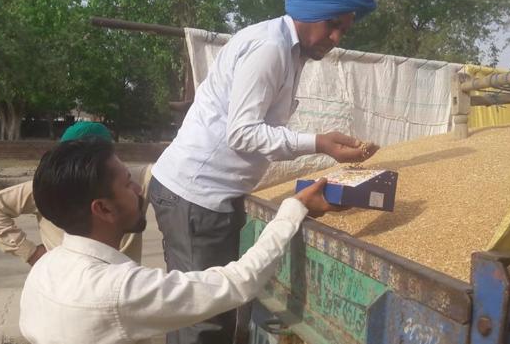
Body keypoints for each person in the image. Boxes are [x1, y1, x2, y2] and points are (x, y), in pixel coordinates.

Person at [149, 0, 378, 342]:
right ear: (310, 11)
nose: (336, 39)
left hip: (208, 196)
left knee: (203, 311)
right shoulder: (269, 48)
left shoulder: (291, 51)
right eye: (333, 25)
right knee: (203, 319)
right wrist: (319, 143)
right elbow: (242, 134)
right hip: (196, 196)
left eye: (343, 31)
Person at [19, 138, 338, 343]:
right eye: (128, 184)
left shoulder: (44, 267)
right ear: (102, 208)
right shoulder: (117, 290)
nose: (139, 191)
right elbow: (238, 283)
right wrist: (293, 208)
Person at [0, 122, 151, 264]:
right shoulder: (54, 187)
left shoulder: (136, 179)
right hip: (70, 277)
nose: (136, 190)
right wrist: (30, 252)